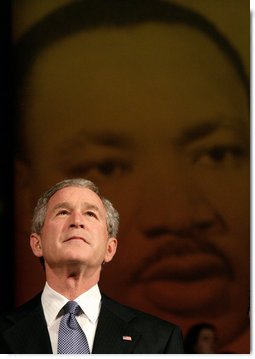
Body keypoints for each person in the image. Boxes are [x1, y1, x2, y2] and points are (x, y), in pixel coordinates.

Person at [13, 0, 250, 353]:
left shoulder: (161, 339)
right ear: (22, 194)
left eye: (215, 154)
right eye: (107, 166)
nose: (177, 216)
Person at [0, 178, 184, 354]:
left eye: (90, 214)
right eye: (63, 212)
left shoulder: (160, 340)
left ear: (109, 249)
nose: (77, 221)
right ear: (37, 244)